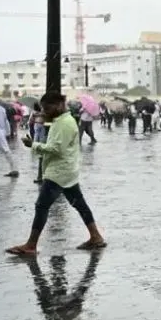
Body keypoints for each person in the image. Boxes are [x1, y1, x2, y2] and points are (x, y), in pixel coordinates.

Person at [6, 92, 106, 255]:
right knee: (80, 204)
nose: (44, 111)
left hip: (58, 172)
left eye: (47, 108)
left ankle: (31, 245)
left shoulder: (64, 123)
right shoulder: (62, 121)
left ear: (59, 105)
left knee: (42, 206)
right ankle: (96, 236)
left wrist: (34, 145)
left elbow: (56, 149)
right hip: (67, 171)